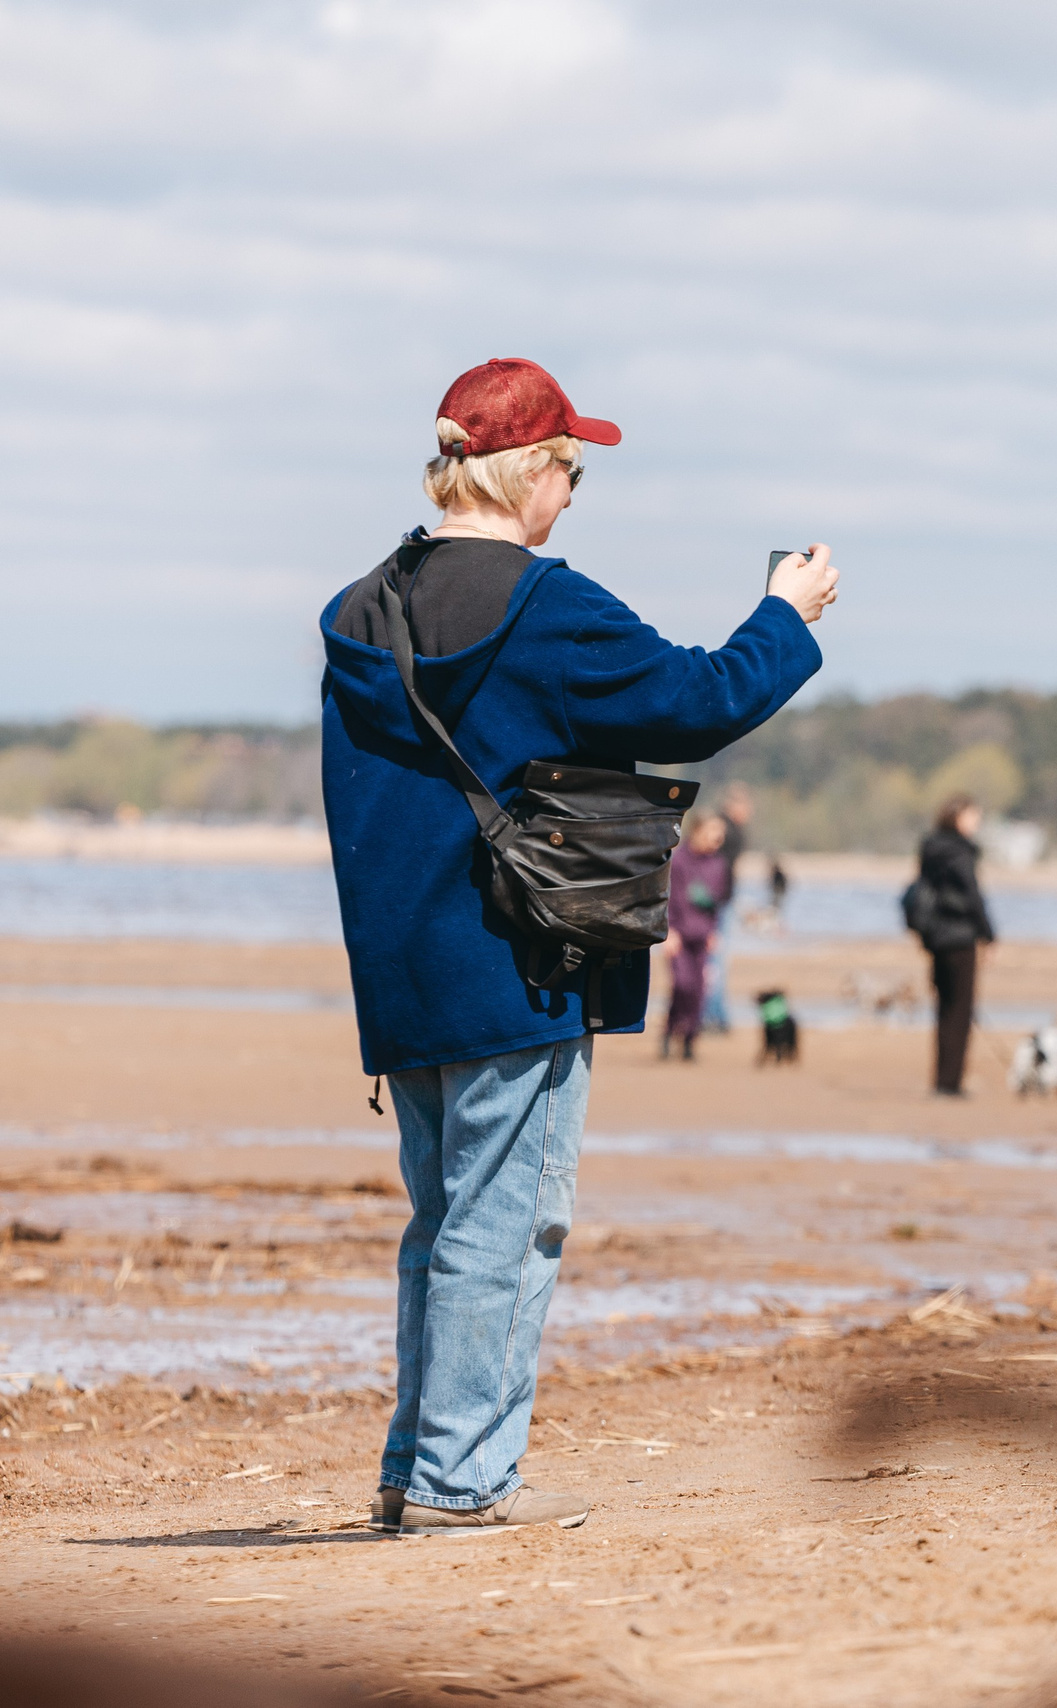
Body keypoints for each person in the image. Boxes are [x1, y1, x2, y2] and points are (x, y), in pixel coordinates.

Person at [319, 357, 838, 1535]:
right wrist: (786, 617)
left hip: (401, 970)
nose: (575, 490)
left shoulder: (360, 609)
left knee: (445, 1223)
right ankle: (461, 1482)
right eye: (570, 467)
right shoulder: (546, 605)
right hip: (519, 958)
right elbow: (699, 700)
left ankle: (419, 1466)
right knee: (508, 1225)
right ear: (523, 472)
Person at [912, 794, 997, 1096]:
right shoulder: (961, 852)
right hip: (960, 936)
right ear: (958, 817)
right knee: (961, 1010)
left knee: (944, 1008)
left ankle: (942, 1079)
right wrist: (989, 934)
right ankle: (951, 1082)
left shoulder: (930, 848)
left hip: (934, 936)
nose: (977, 822)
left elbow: (920, 891)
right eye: (974, 816)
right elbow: (973, 896)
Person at [662, 814, 730, 1061]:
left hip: (703, 936)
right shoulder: (677, 861)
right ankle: (669, 1032)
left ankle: (690, 1040)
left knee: (699, 991)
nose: (719, 837)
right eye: (714, 830)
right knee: (682, 985)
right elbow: (668, 899)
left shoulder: (719, 864)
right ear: (698, 831)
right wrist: (669, 931)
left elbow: (717, 904)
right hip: (678, 934)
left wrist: (714, 931)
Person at [704, 782, 754, 1031]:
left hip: (720, 900)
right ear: (734, 806)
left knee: (714, 960)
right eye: (746, 805)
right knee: (715, 961)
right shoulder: (728, 830)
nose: (750, 811)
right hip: (718, 902)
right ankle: (715, 1015)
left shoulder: (729, 828)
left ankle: (715, 1014)